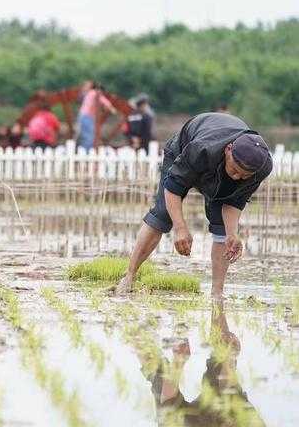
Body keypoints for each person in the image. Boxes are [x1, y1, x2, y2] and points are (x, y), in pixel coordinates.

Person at [115, 112, 273, 299]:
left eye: (244, 176)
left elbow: (234, 201)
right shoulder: (201, 149)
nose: (237, 177)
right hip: (183, 149)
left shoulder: (262, 167)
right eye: (235, 170)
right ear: (228, 149)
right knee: (163, 214)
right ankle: (129, 275)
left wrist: (232, 233)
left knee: (223, 231)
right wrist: (180, 228)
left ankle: (217, 293)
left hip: (215, 163)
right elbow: (173, 187)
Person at [133, 303, 265, 427]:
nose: (232, 420)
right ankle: (216, 300)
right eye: (237, 421)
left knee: (160, 376)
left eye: (232, 426)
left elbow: (169, 399)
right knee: (222, 356)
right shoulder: (252, 425)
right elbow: (227, 386)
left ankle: (134, 327)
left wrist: (179, 360)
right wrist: (228, 354)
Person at [76, 81, 117, 150]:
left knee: (87, 135)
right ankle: (87, 152)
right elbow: (104, 101)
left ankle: (84, 151)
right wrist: (112, 109)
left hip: (85, 116)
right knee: (89, 137)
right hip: (87, 117)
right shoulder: (95, 93)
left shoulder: (89, 93)